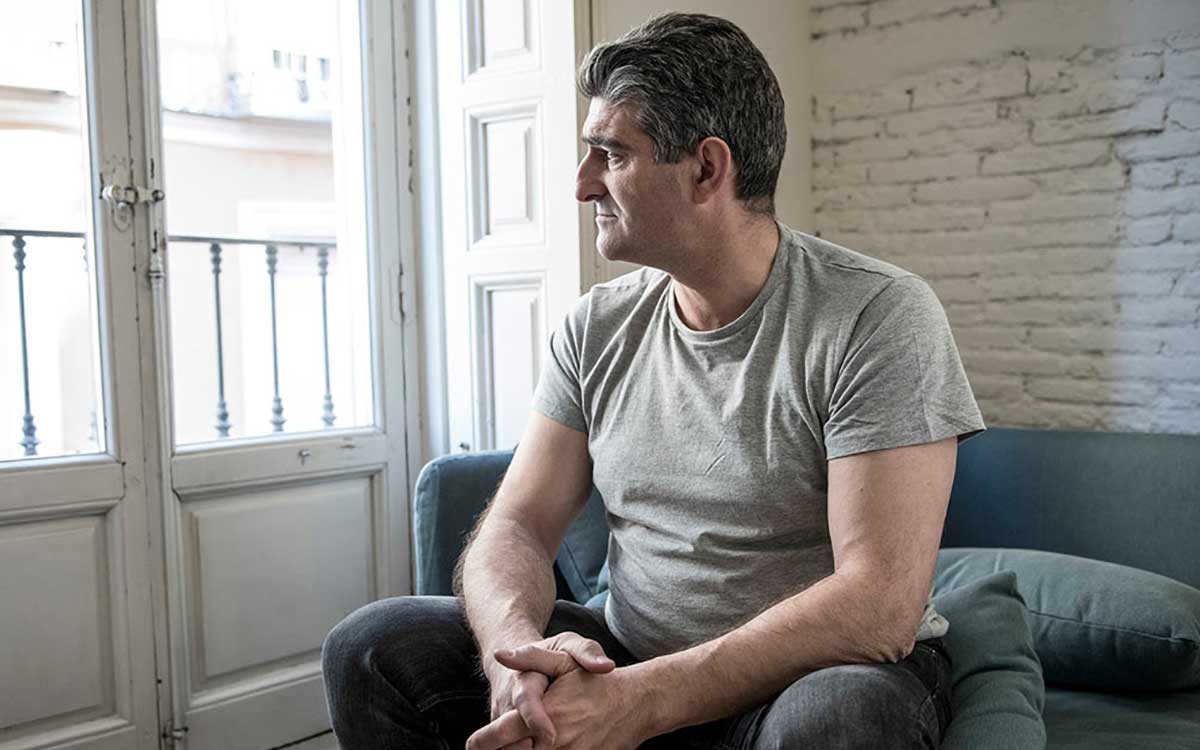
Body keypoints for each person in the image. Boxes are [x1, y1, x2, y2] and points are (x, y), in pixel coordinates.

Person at [322, 11, 985, 749]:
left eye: (609, 154)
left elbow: (879, 605)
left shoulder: (875, 314)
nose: (581, 185)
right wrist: (512, 653)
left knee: (838, 721)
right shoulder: (596, 328)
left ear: (707, 168)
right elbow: (516, 524)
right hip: (630, 653)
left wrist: (645, 702)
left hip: (808, 678)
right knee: (373, 646)